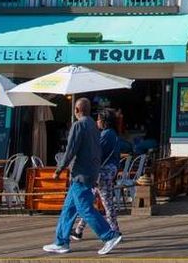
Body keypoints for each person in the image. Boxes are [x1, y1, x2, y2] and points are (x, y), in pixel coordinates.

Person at [43, 98, 123, 256]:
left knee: (84, 208)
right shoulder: (93, 126)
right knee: (69, 208)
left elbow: (70, 150)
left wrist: (59, 169)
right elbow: (98, 151)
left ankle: (109, 235)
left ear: (77, 110)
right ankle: (61, 242)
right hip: (91, 173)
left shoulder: (78, 125)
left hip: (81, 174)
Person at [70, 109, 122, 242]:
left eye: (98, 119)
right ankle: (79, 230)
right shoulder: (113, 134)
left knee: (105, 203)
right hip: (109, 171)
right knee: (90, 202)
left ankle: (115, 231)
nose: (97, 122)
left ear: (104, 121)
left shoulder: (106, 134)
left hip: (102, 172)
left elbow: (96, 153)